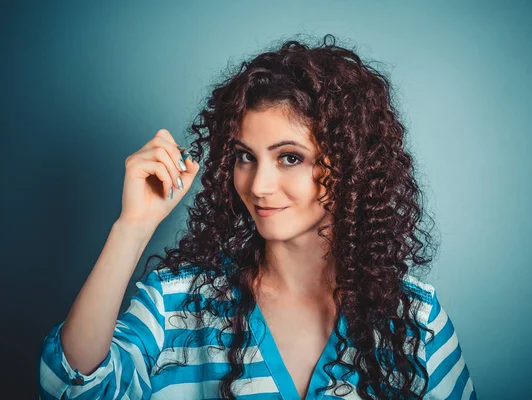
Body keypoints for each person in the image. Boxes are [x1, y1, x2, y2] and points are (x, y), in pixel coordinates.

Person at [37, 34, 478, 400]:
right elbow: (70, 387)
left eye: (289, 158)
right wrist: (133, 226)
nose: (259, 185)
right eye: (245, 157)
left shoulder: (415, 320)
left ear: (353, 167)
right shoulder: (175, 304)